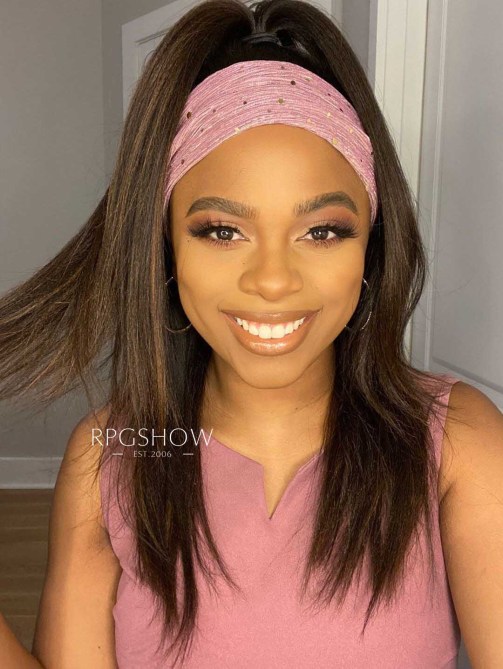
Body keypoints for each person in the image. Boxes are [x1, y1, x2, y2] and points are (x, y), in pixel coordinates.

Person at [1, 0, 502, 667]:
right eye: (221, 230)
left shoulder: (455, 441)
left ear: (371, 247)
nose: (272, 280)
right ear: (167, 247)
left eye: (322, 230)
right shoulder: (112, 455)